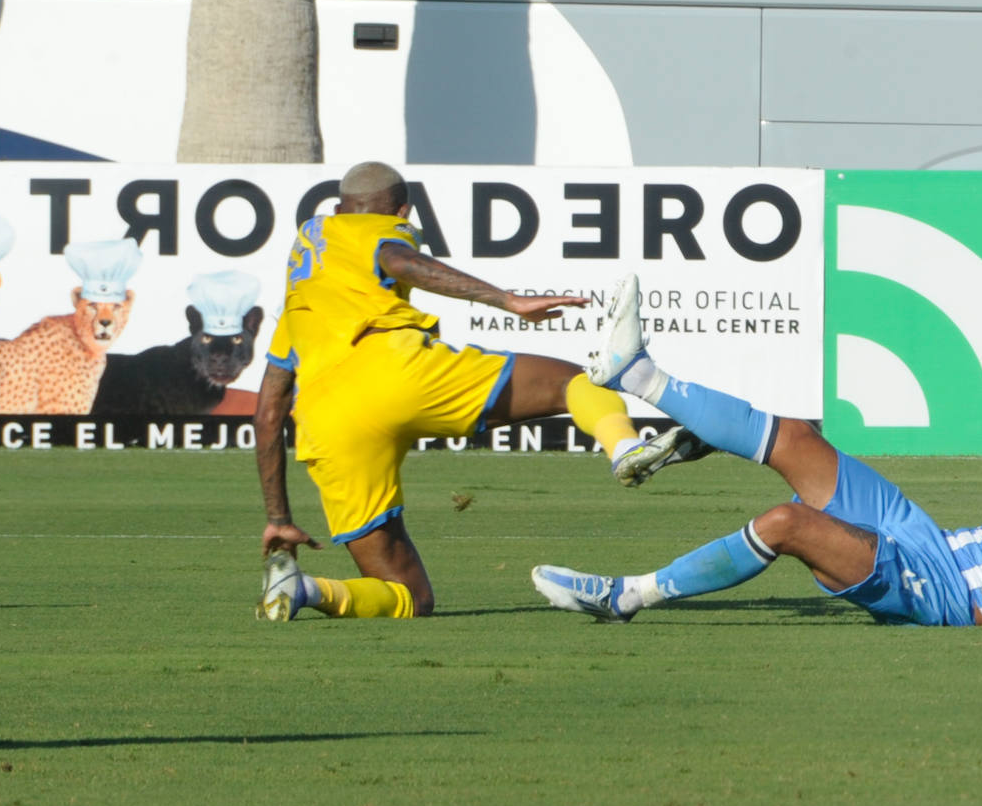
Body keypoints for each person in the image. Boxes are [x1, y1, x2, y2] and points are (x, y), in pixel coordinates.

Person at [532, 274, 982, 631]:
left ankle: (628, 596)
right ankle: (636, 374)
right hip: (928, 542)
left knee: (786, 522)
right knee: (800, 437)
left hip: (945, 597)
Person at [254, 163, 707, 622]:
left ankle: (306, 588)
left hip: (328, 425)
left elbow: (269, 412)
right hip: (397, 374)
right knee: (571, 383)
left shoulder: (299, 303)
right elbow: (399, 261)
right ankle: (625, 448)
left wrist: (278, 517)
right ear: (403, 210)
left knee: (409, 596)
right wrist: (507, 301)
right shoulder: (381, 230)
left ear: (338, 208)